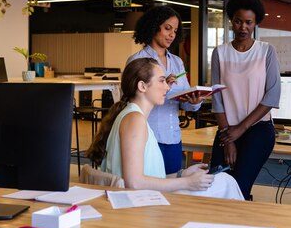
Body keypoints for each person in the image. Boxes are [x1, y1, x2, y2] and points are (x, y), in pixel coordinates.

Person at [86, 58, 243, 200]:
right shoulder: (135, 120)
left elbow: (147, 177)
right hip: (143, 202)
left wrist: (181, 175)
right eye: (161, 81)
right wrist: (187, 182)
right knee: (226, 182)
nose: (167, 87)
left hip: (146, 197)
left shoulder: (132, 116)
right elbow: (134, 182)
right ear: (142, 86)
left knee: (223, 180)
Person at [209, 0, 281, 200]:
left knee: (238, 188)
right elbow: (217, 98)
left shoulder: (266, 51)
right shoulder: (220, 53)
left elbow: (272, 94)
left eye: (248, 22)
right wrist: (229, 138)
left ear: (255, 22)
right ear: (231, 21)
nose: (243, 27)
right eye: (238, 21)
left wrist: (240, 129)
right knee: (216, 185)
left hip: (257, 129)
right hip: (227, 130)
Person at [126, 6, 206, 174]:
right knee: (148, 188)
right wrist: (163, 87)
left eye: (175, 31)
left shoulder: (177, 62)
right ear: (154, 26)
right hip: (147, 136)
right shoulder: (138, 60)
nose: (172, 34)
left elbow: (185, 104)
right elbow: (130, 103)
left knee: (171, 188)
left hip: (173, 137)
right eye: (167, 28)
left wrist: (194, 102)